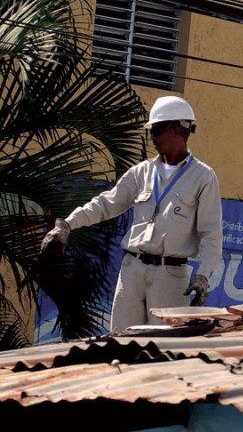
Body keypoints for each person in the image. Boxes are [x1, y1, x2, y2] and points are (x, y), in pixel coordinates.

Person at [41, 96, 222, 332]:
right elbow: (106, 204)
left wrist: (202, 276)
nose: (152, 138)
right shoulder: (142, 172)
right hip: (132, 271)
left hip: (172, 276)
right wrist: (67, 225)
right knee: (120, 341)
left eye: (157, 130)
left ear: (178, 130)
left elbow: (211, 235)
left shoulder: (203, 178)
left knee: (163, 347)